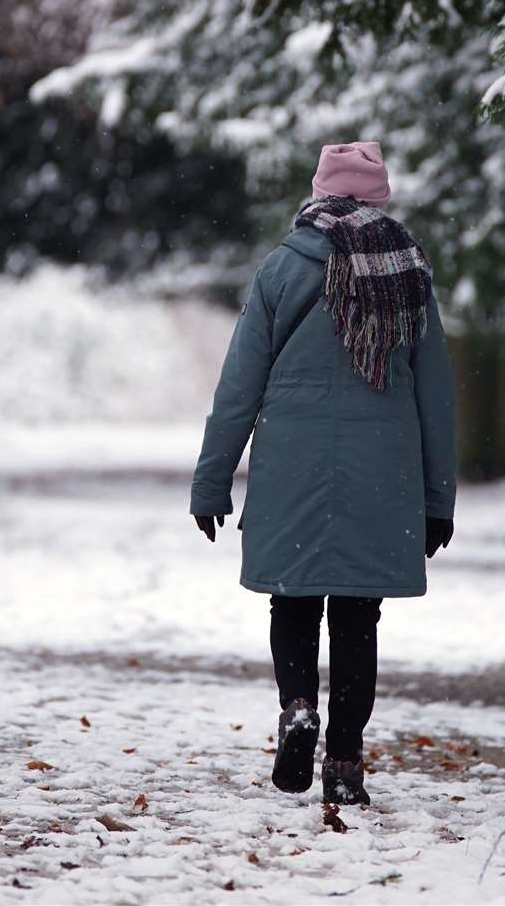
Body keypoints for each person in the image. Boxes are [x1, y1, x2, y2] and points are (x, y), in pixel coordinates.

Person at [190, 140, 457, 806]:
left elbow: (238, 386)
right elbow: (435, 395)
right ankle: (342, 760)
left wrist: (211, 480)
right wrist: (436, 497)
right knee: (357, 617)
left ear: (318, 192)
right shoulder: (406, 271)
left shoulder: (282, 267)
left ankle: (298, 707)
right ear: (379, 196)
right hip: (381, 465)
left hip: (292, 459)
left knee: (294, 598)